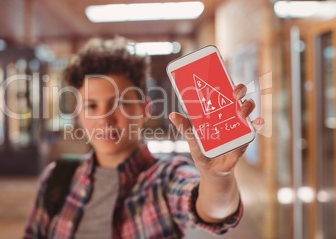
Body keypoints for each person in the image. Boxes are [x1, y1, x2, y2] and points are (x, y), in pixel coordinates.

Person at [23, 36, 264, 238]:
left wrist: (217, 178)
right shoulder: (57, 179)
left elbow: (212, 209)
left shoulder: (166, 178)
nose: (104, 119)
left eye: (120, 104)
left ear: (144, 109)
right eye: (91, 106)